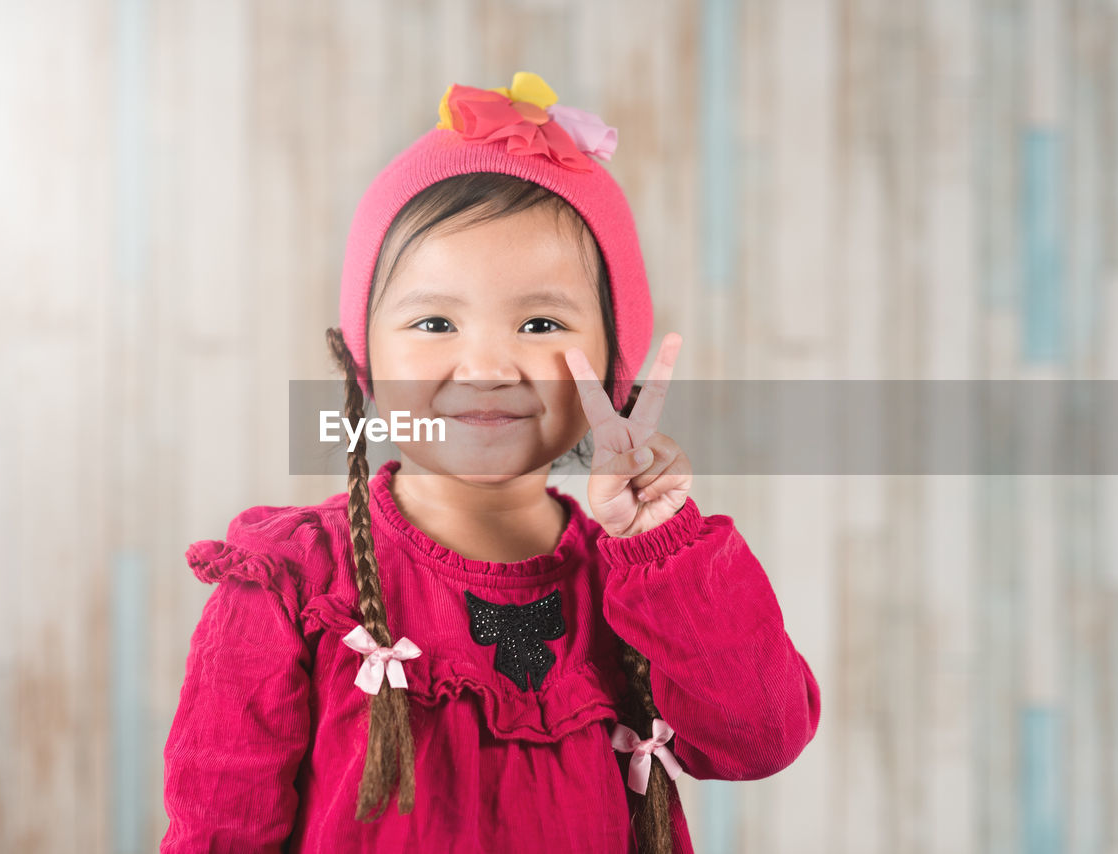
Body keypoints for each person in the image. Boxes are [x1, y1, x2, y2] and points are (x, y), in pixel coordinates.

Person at [160, 72, 820, 854]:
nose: (485, 367)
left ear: (616, 365)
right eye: (435, 321)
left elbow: (760, 737)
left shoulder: (640, 579)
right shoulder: (293, 582)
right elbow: (218, 833)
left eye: (540, 322)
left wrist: (659, 541)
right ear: (362, 352)